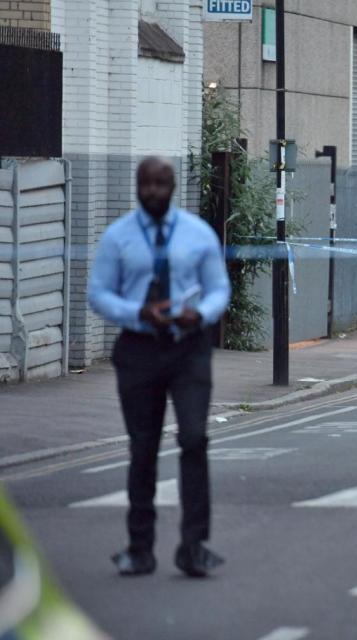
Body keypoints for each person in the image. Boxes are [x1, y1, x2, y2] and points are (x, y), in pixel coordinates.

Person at [88, 156, 231, 577]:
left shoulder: (197, 234)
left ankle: (194, 546)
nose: (153, 191)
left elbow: (218, 287)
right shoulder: (118, 237)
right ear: (137, 185)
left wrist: (200, 314)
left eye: (161, 183)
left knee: (193, 439)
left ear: (172, 187)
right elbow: (98, 293)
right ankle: (139, 547)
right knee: (143, 448)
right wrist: (138, 312)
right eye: (146, 183)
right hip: (139, 349)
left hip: (189, 349)